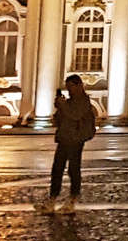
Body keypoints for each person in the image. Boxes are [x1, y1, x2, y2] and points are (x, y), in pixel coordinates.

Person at [37, 75, 96, 214]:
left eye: (71, 87)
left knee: (73, 170)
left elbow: (75, 115)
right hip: (64, 139)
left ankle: (72, 200)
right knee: (56, 170)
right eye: (68, 87)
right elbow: (59, 120)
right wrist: (58, 108)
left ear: (79, 86)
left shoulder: (84, 101)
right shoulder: (69, 102)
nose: (69, 90)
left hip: (76, 139)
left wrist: (63, 106)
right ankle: (52, 199)